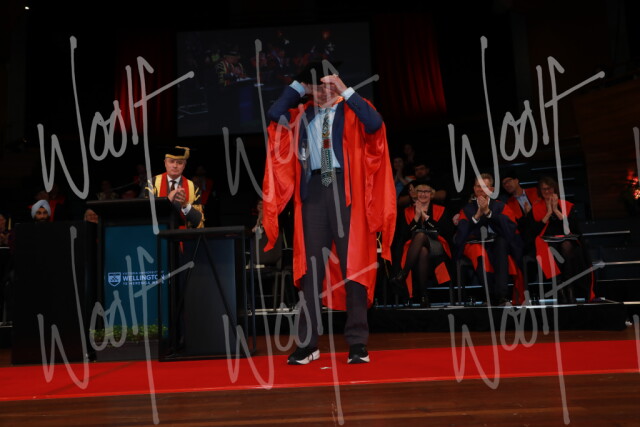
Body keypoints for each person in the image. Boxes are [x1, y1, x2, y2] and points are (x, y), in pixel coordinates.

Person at [262, 61, 396, 365]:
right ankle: (308, 344)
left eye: (326, 85)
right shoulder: (302, 114)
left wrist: (345, 90)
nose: (321, 92)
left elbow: (375, 123)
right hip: (313, 192)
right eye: (315, 87)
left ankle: (357, 342)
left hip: (345, 190)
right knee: (310, 271)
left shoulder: (353, 109)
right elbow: (274, 114)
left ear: (335, 83)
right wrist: (299, 87)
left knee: (354, 266)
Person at [454, 173, 525, 306]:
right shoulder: (467, 209)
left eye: (484, 187)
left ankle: (501, 295)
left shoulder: (500, 206)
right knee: (479, 254)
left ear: (491, 189)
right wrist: (476, 216)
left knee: (501, 244)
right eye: (478, 186)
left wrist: (488, 213)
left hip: (498, 243)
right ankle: (491, 295)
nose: (480, 190)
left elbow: (509, 228)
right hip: (475, 244)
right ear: (474, 188)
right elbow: (462, 234)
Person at [526, 176, 595, 304]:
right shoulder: (536, 208)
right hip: (545, 241)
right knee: (552, 250)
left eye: (549, 188)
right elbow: (533, 231)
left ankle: (569, 288)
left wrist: (556, 211)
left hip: (565, 239)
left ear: (554, 189)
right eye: (544, 189)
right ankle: (561, 290)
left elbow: (572, 228)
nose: (547, 191)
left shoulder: (566, 205)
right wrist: (548, 213)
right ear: (540, 191)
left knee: (566, 247)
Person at [390, 181, 453, 307]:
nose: (423, 194)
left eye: (426, 191)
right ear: (415, 194)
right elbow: (403, 235)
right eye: (420, 191)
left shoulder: (441, 209)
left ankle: (403, 274)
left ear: (431, 194)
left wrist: (426, 218)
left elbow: (445, 232)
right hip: (414, 249)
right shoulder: (407, 211)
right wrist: (416, 217)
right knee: (423, 251)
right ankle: (424, 296)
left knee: (421, 235)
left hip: (437, 245)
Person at [146, 146, 204, 229]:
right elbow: (146, 215)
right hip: (159, 232)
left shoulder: (193, 188)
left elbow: (198, 222)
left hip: (184, 234)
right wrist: (167, 201)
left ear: (184, 165)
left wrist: (185, 205)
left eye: (180, 163)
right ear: (165, 163)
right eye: (171, 161)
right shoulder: (152, 184)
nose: (175, 166)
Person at [501, 169, 540, 236]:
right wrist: (526, 215)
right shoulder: (509, 203)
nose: (506, 185)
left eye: (509, 181)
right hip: (527, 232)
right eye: (504, 184)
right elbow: (518, 224)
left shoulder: (535, 191)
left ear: (516, 180)